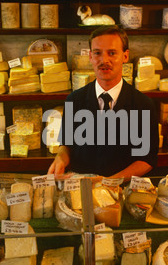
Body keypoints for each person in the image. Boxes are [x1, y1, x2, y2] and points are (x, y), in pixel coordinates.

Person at [47, 25, 159, 182]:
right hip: (81, 188)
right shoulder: (75, 100)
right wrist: (60, 158)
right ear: (90, 57)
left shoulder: (142, 104)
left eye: (112, 53)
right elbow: (67, 145)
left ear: (125, 56)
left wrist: (109, 182)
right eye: (97, 53)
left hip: (121, 191)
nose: (104, 60)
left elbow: (147, 159)